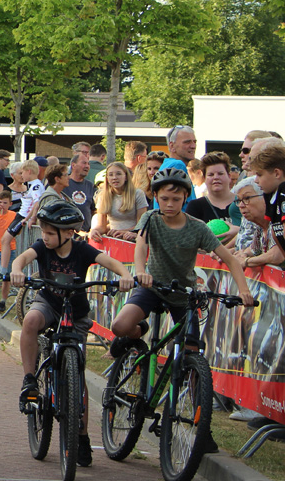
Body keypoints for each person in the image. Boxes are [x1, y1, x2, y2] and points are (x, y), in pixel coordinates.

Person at [10, 200, 140, 467]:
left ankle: (81, 436)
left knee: (78, 376)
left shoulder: (82, 250)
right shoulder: (42, 248)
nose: (45, 237)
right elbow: (22, 258)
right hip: (49, 304)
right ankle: (30, 379)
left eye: (50, 232)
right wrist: (16, 270)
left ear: (69, 233)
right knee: (31, 320)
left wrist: (125, 274)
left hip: (76, 313)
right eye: (43, 232)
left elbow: (108, 261)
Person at [109, 169, 255, 399]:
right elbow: (141, 245)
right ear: (156, 197)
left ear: (185, 198)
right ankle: (137, 334)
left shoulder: (197, 227)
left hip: (183, 294)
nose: (169, 204)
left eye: (176, 199)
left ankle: (198, 408)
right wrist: (140, 272)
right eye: (164, 198)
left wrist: (243, 291)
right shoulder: (150, 218)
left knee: (192, 351)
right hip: (152, 287)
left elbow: (230, 260)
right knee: (119, 326)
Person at [246, 141, 285, 268]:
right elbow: (275, 233)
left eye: (259, 174)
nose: (256, 180)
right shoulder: (270, 195)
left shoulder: (283, 191)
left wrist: (246, 261)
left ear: (277, 173)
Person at [185, 152, 237, 242]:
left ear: (229, 176)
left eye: (220, 173)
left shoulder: (242, 203)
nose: (216, 177)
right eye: (211, 175)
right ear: (204, 178)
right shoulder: (195, 206)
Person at [91, 162, 148, 242]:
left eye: (118, 174)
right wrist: (94, 231)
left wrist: (124, 232)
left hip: (133, 238)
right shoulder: (102, 196)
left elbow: (142, 225)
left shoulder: (138, 194)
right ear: (107, 179)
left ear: (126, 177)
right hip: (113, 239)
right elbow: (102, 227)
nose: (114, 177)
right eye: (111, 175)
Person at [231, 179, 272, 264]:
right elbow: (253, 249)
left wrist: (246, 261)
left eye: (247, 198)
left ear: (265, 198)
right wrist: (244, 254)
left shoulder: (276, 222)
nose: (241, 205)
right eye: (239, 200)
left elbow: (276, 255)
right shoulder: (260, 227)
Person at [158, 126, 198, 204]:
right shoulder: (177, 166)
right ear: (172, 146)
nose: (193, 146)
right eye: (187, 142)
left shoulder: (166, 165)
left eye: (194, 142)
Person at [64, 151, 97, 227]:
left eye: (88, 164)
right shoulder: (63, 183)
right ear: (73, 165)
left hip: (86, 232)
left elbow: (94, 210)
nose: (87, 166)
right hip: (67, 230)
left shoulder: (90, 186)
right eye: (84, 163)